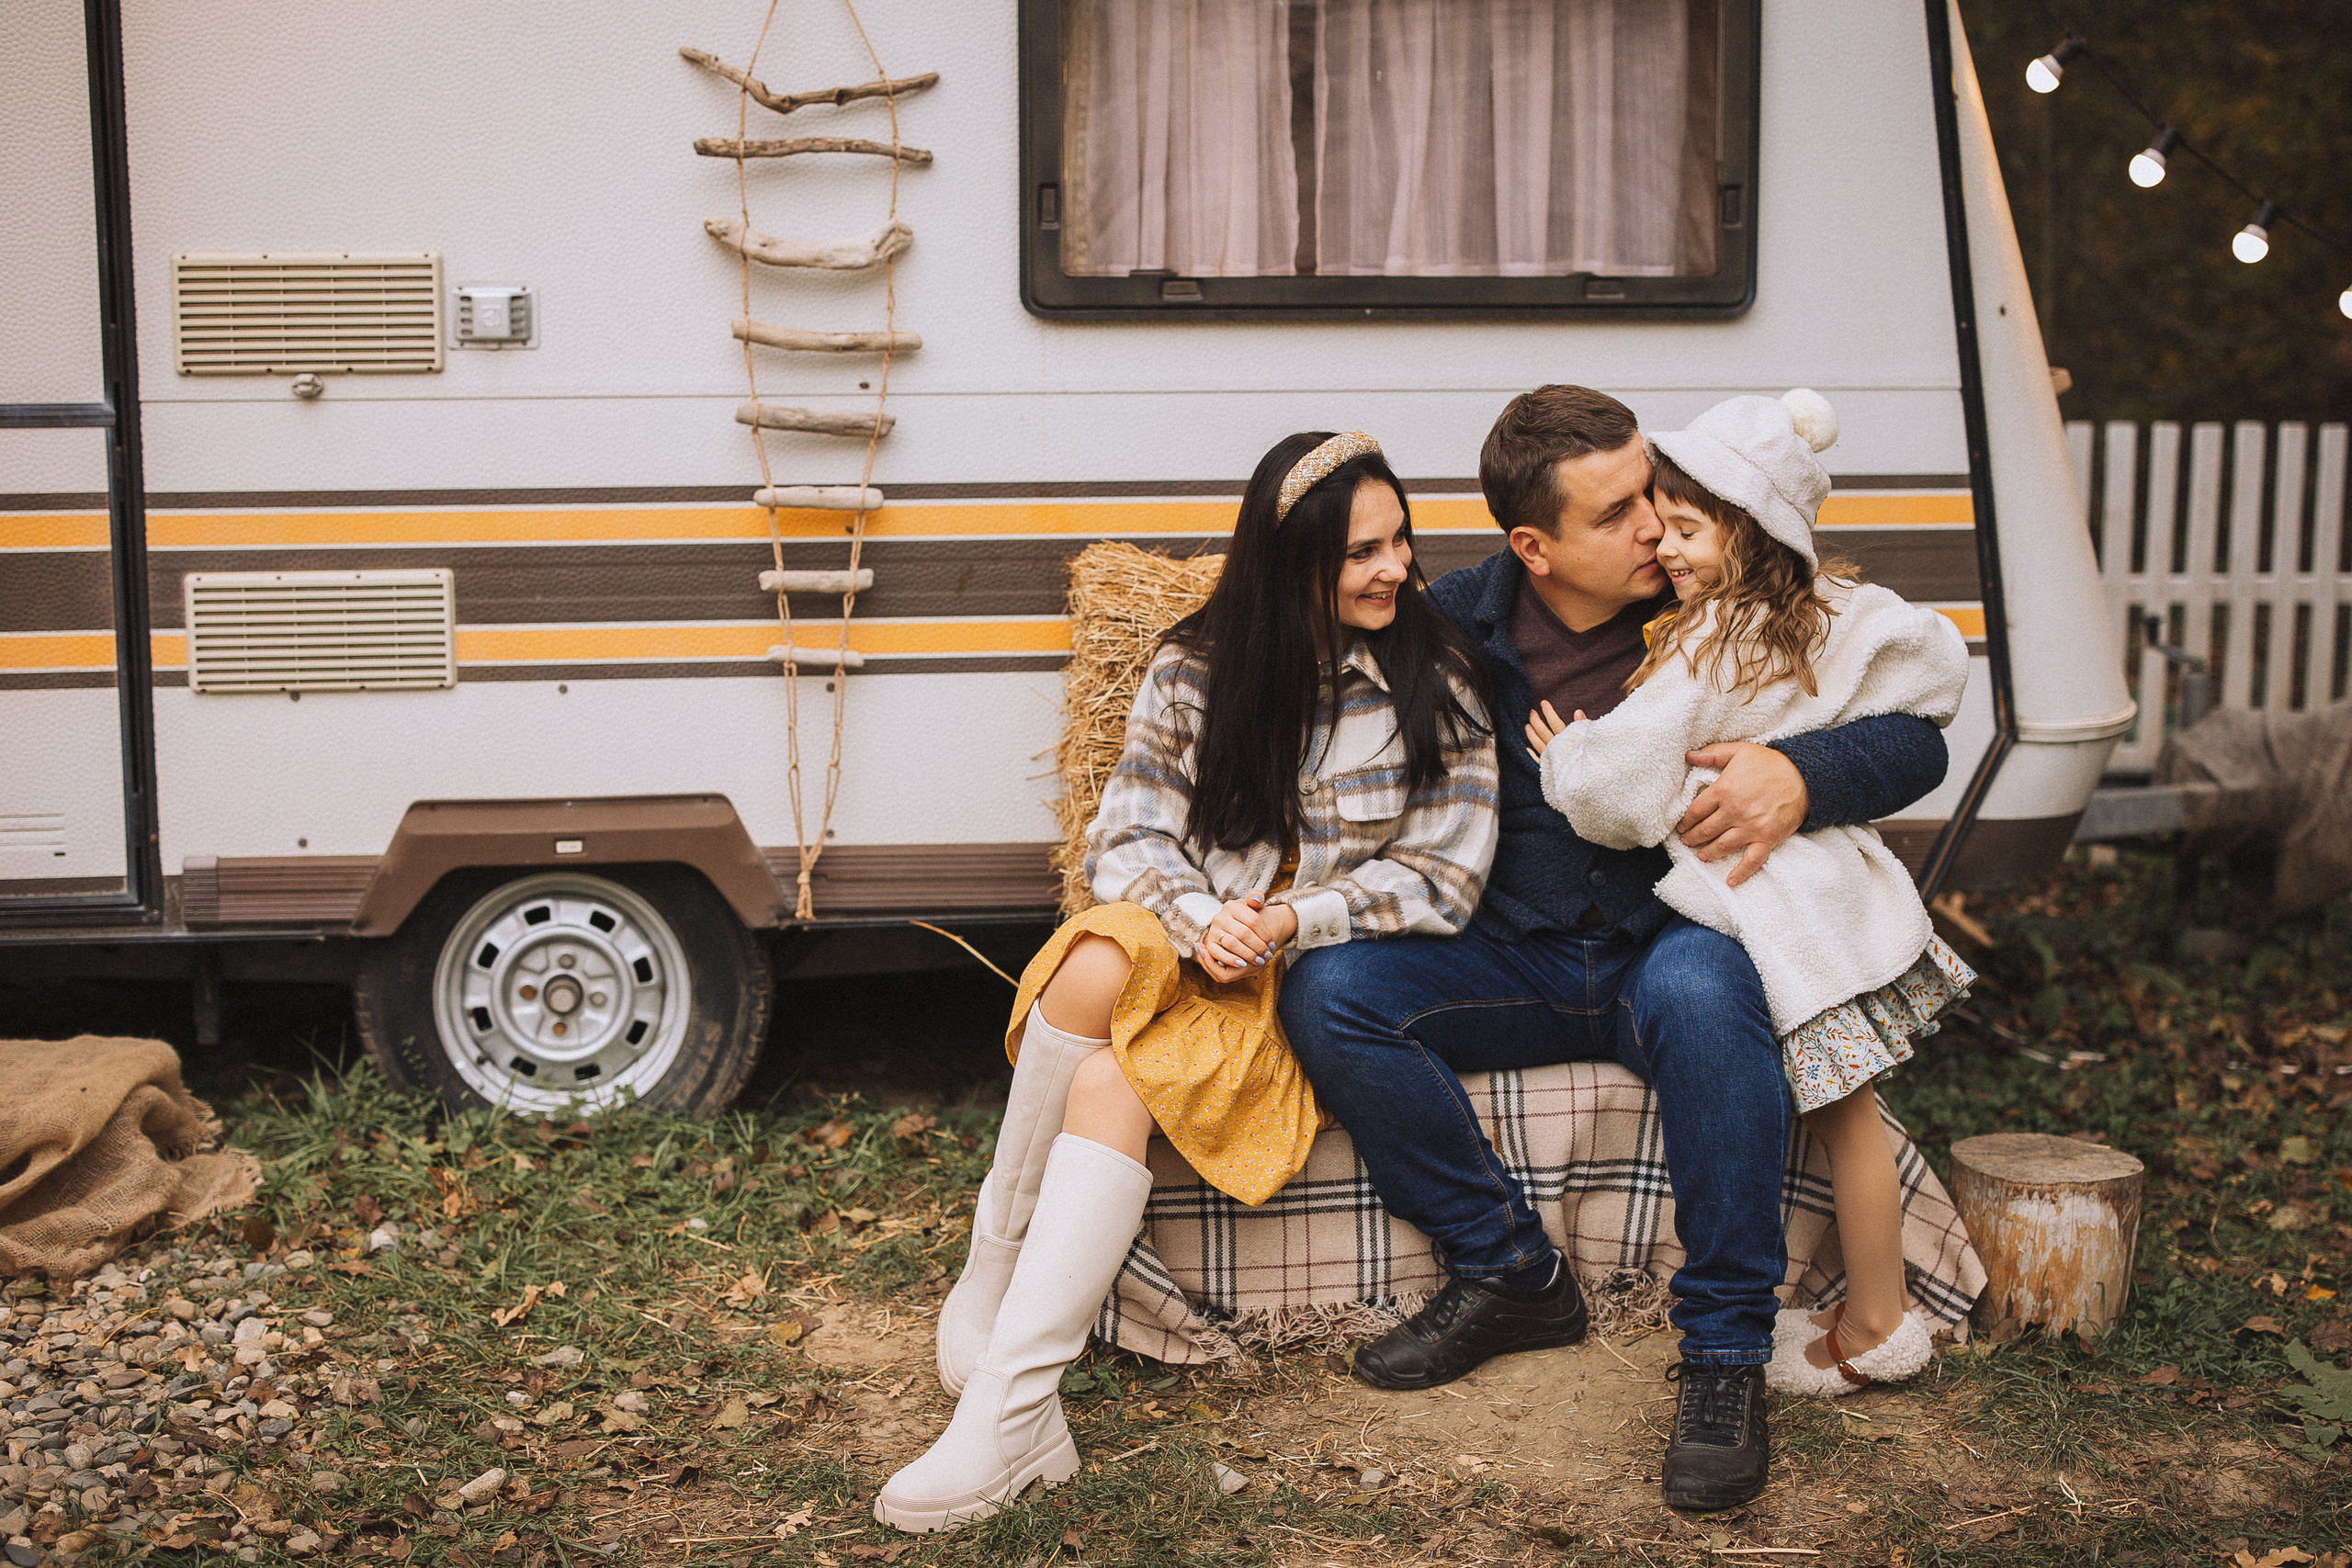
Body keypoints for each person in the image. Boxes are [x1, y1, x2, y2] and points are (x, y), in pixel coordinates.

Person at [1274, 385, 1951, 1512]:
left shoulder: (1718, 598)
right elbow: (1276, 647)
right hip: (1508, 958)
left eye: (1656, 493)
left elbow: (1913, 736)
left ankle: (1725, 1358)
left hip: (1666, 945)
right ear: (1531, 547)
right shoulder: (1447, 622)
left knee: (1706, 989)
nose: (1656, 526)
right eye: (1618, 514)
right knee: (1334, 989)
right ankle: (1508, 1272)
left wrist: (1803, 777)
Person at [874, 431, 1499, 1534]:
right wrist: (1207, 919)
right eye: (1362, 550)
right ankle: (993, 1281)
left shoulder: (1435, 671)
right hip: (1191, 952)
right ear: (1288, 559)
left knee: (1108, 1088)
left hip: (1308, 976)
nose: (1395, 568)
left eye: (1401, 540)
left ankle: (1016, 1412)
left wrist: (1293, 920)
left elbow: (1445, 877)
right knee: (1104, 946)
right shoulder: (1193, 666)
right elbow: (1128, 837)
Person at [1524, 390, 1975, 1398]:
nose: (1664, 548)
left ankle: (1875, 1326)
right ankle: (1874, 1310)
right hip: (1832, 904)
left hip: (1779, 913)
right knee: (1848, 1116)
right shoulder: (1827, 614)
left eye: (1686, 529)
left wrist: (1567, 760)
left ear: (1749, 530)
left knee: (1844, 1117)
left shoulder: (1710, 641)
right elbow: (1934, 664)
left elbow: (1619, 786)